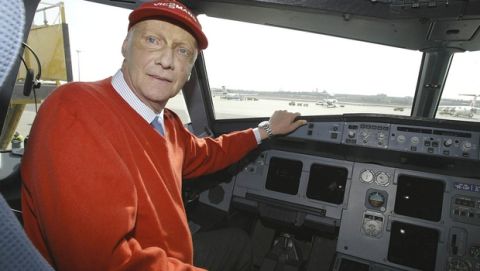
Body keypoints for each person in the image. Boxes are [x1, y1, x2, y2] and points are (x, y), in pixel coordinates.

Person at [20, 1, 306, 271]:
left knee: (239, 243)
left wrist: (266, 130)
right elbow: (102, 262)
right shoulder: (76, 109)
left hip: (173, 255)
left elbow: (209, 153)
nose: (167, 60)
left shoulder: (168, 124)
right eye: (153, 40)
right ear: (125, 45)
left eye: (183, 51)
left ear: (190, 70)